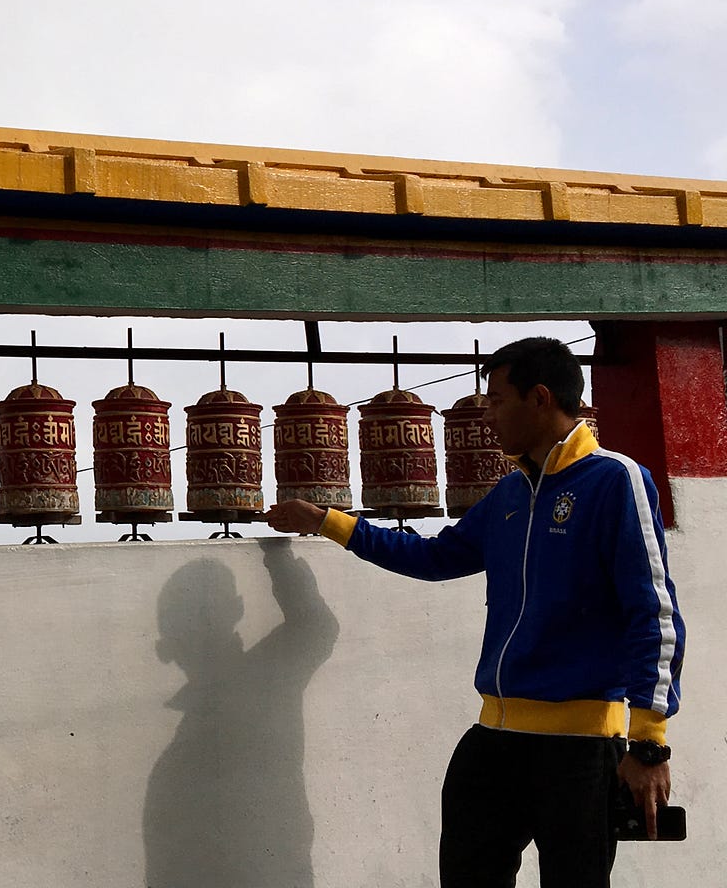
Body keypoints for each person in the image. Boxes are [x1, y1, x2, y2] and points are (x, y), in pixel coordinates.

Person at [266, 337, 685, 887]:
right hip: (493, 739)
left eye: (495, 400)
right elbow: (435, 556)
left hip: (580, 752)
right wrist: (331, 522)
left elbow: (652, 612)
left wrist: (649, 742)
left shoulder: (615, 481)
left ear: (539, 398)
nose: (485, 414)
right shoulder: (510, 494)